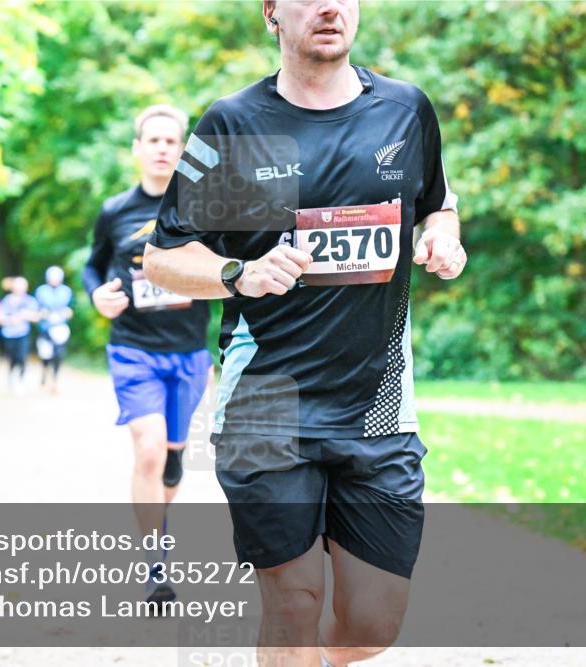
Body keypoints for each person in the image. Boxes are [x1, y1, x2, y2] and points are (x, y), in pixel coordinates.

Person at [143, 2, 466, 665]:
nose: (329, 7)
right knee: (292, 602)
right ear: (271, 13)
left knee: (371, 624)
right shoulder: (231, 124)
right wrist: (239, 271)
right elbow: (164, 256)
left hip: (376, 407)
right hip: (266, 399)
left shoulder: (405, 110)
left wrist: (443, 234)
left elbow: (437, 201)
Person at [82, 104, 212, 607]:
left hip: (189, 353)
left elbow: (224, 267)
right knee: (148, 448)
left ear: (182, 151)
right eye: (153, 140)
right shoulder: (115, 211)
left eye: (171, 141)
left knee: (172, 461)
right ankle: (155, 567)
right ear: (137, 150)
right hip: (133, 348)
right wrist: (97, 295)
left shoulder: (201, 209)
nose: (162, 148)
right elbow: (92, 267)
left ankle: (168, 482)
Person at [34, 265, 73, 393]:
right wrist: (42, 313)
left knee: (58, 354)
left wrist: (68, 312)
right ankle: (45, 372)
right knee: (46, 355)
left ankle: (55, 381)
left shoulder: (66, 291)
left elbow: (71, 309)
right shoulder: (41, 291)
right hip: (45, 328)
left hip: (60, 328)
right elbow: (36, 310)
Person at [0, 276, 39, 394]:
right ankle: (11, 377)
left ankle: (21, 380)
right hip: (9, 334)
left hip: (23, 334)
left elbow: (36, 317)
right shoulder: (7, 300)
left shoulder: (30, 301)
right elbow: (0, 317)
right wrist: (11, 319)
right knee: (12, 358)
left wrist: (26, 315)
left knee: (22, 357)